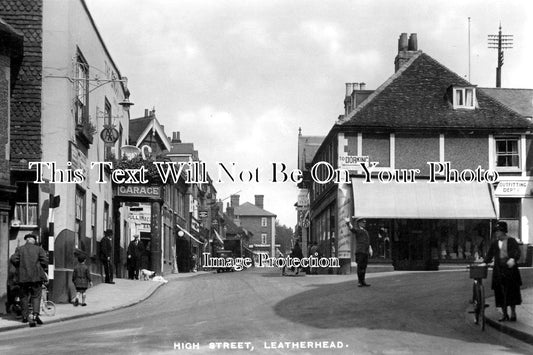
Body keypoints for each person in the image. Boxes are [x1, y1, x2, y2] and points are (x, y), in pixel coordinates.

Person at [484, 221, 522, 322]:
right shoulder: (495, 243)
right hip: (499, 270)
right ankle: (504, 314)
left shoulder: (511, 241)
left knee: (512, 292)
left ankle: (513, 312)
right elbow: (489, 255)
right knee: (500, 293)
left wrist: (513, 259)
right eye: (496, 231)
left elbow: (517, 252)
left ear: (504, 231)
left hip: (510, 270)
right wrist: (484, 262)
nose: (497, 233)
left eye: (498, 231)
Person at [9, 233, 48, 326]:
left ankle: (25, 317)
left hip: (23, 278)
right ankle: (35, 315)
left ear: (26, 240)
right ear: (33, 240)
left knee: (24, 297)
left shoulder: (20, 249)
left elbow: (13, 259)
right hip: (36, 277)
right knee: (36, 296)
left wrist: (20, 265)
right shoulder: (39, 249)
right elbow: (45, 261)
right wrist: (42, 267)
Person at [346, 217, 373, 287]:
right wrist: (348, 223)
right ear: (359, 223)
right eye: (363, 222)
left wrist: (370, 249)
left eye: (365, 222)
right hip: (360, 251)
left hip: (365, 251)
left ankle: (363, 281)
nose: (364, 223)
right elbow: (352, 229)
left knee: (364, 267)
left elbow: (368, 241)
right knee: (360, 266)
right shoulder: (358, 230)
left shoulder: (366, 231)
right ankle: (359, 281)